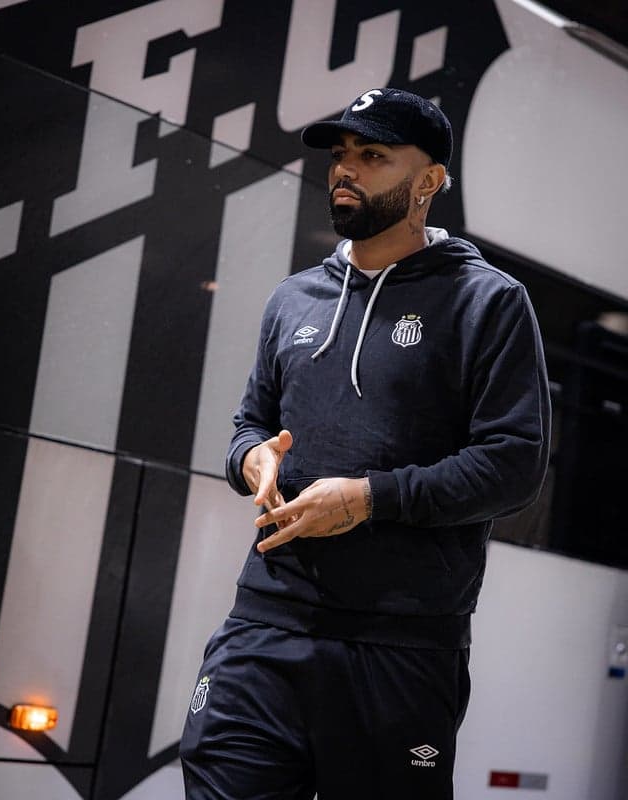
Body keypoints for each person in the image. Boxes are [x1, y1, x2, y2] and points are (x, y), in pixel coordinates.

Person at [180, 87, 551, 799]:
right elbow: (247, 427)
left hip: (402, 645)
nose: (345, 169)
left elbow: (513, 465)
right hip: (265, 625)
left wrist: (368, 499)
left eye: (373, 156)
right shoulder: (292, 299)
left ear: (428, 183)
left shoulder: (488, 301)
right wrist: (251, 460)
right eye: (341, 155)